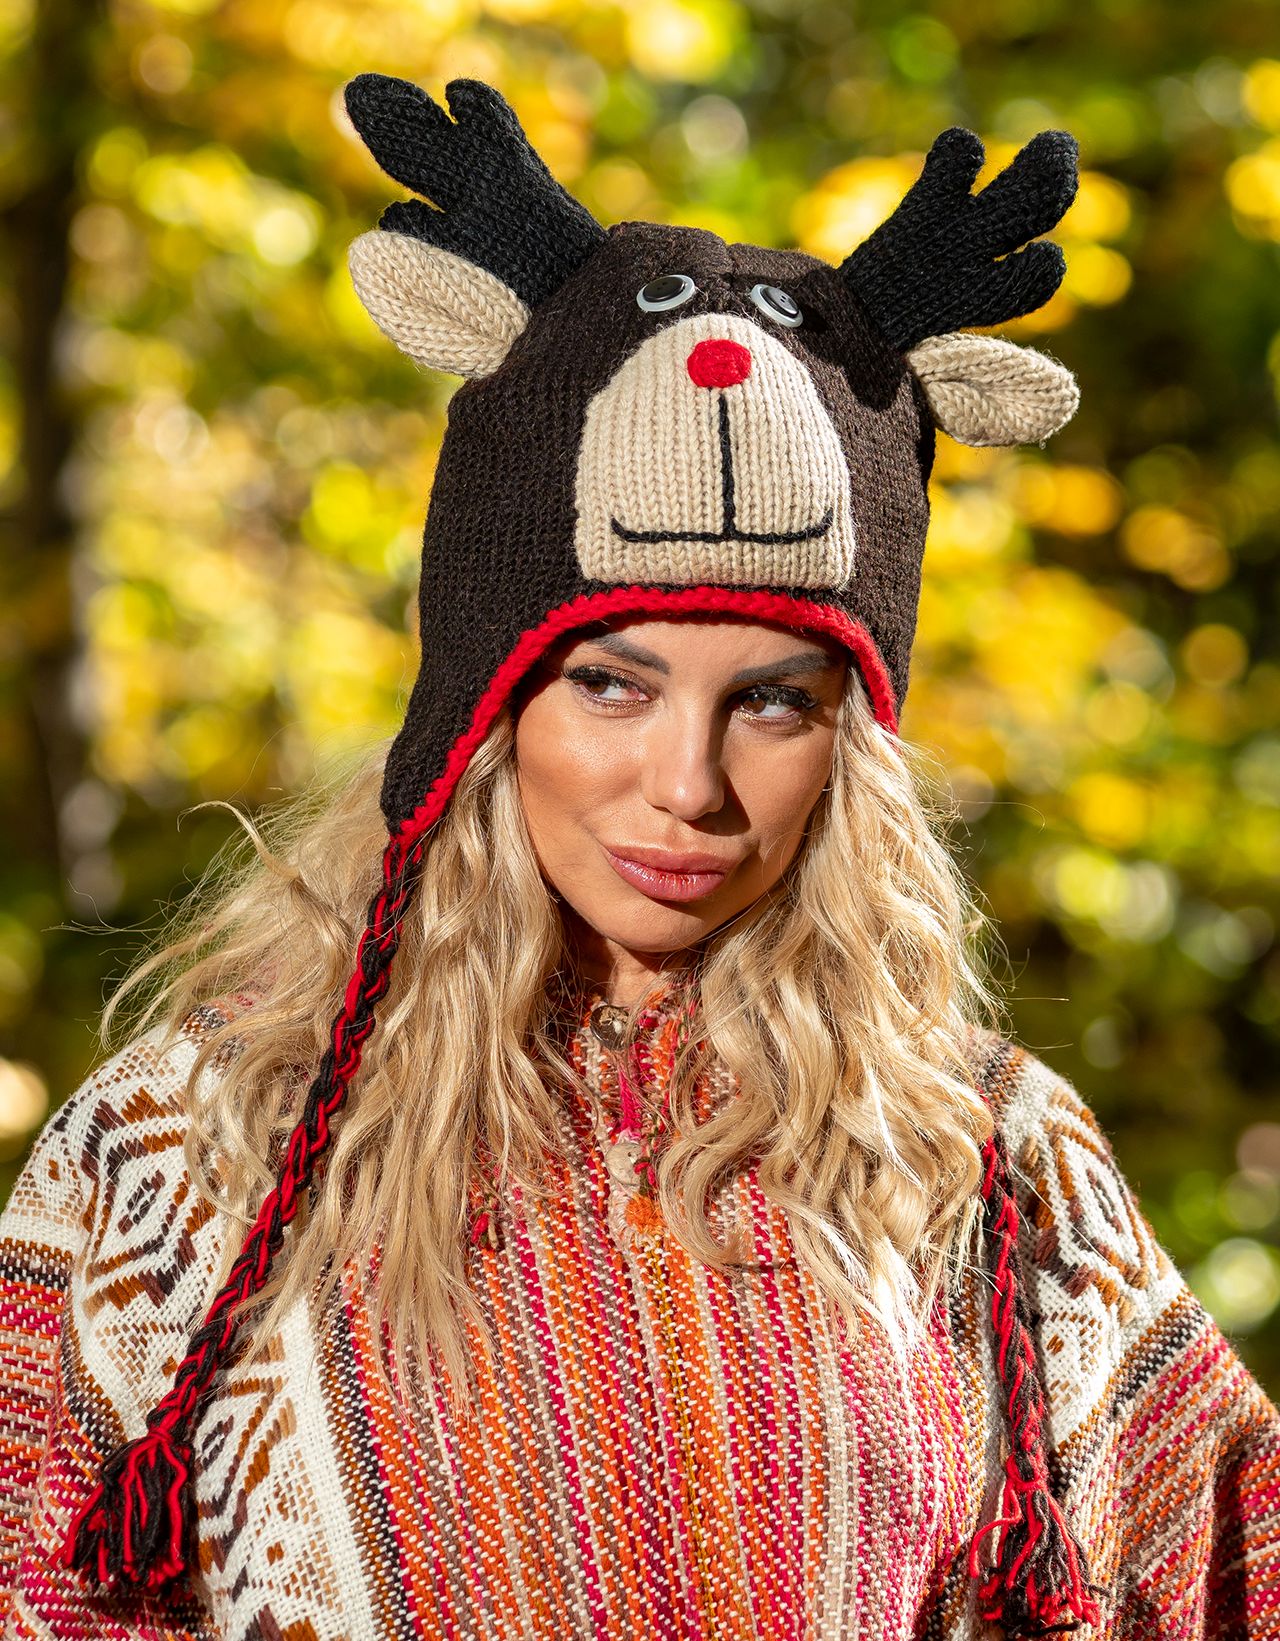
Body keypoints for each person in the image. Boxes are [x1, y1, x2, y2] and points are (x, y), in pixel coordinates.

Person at [0, 69, 1276, 1641]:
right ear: (486, 698)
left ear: (852, 739)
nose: (687, 785)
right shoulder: (190, 1151)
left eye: (774, 701)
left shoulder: (985, 1165)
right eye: (612, 682)